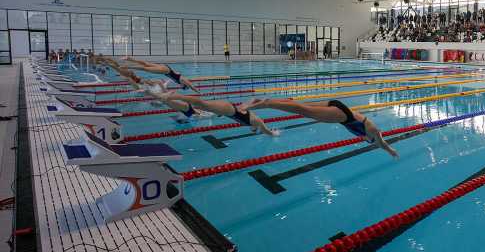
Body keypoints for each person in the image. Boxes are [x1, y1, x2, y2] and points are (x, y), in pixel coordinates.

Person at [241, 98, 399, 158]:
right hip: (342, 115)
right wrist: (391, 151)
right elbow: (382, 143)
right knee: (303, 111)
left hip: (339, 108)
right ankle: (266, 103)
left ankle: (264, 101)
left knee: (302, 107)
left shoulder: (371, 131)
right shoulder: (374, 132)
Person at [160, 92, 279, 136]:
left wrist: (262, 100)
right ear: (254, 127)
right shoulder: (257, 121)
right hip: (228, 110)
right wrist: (274, 133)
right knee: (202, 104)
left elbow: (253, 98)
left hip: (228, 108)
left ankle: (172, 98)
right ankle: (174, 96)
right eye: (254, 129)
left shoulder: (252, 119)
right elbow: (266, 131)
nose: (253, 129)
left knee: (200, 105)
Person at [120, 57, 200, 92]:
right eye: (182, 87)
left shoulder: (180, 80)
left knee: (146, 64)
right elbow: (191, 85)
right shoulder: (183, 80)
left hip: (166, 68)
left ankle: (129, 59)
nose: (181, 87)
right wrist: (198, 92)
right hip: (165, 71)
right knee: (145, 68)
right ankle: (127, 66)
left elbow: (176, 74)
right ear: (184, 86)